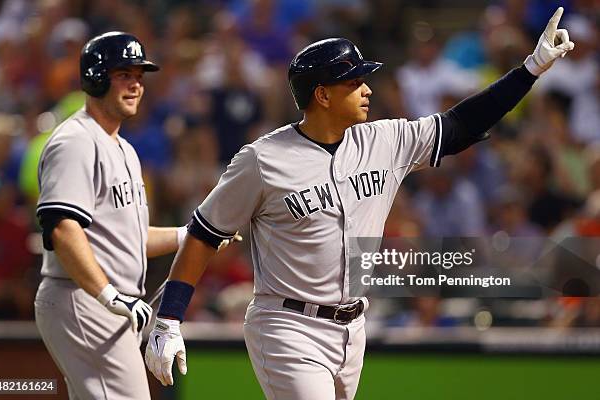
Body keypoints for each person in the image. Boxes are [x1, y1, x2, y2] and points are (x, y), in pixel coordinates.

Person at [145, 8, 574, 400]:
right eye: (354, 83)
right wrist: (170, 318)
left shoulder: (384, 140)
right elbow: (204, 233)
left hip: (353, 327)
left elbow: (460, 125)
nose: (367, 89)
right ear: (322, 95)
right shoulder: (262, 159)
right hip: (287, 324)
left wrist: (530, 70)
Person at [33, 32, 188, 400]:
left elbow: (129, 239)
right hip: (83, 298)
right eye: (124, 74)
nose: (136, 84)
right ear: (96, 77)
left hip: (105, 303)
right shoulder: (76, 141)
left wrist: (190, 235)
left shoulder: (125, 150)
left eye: (139, 76)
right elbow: (62, 227)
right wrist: (108, 297)